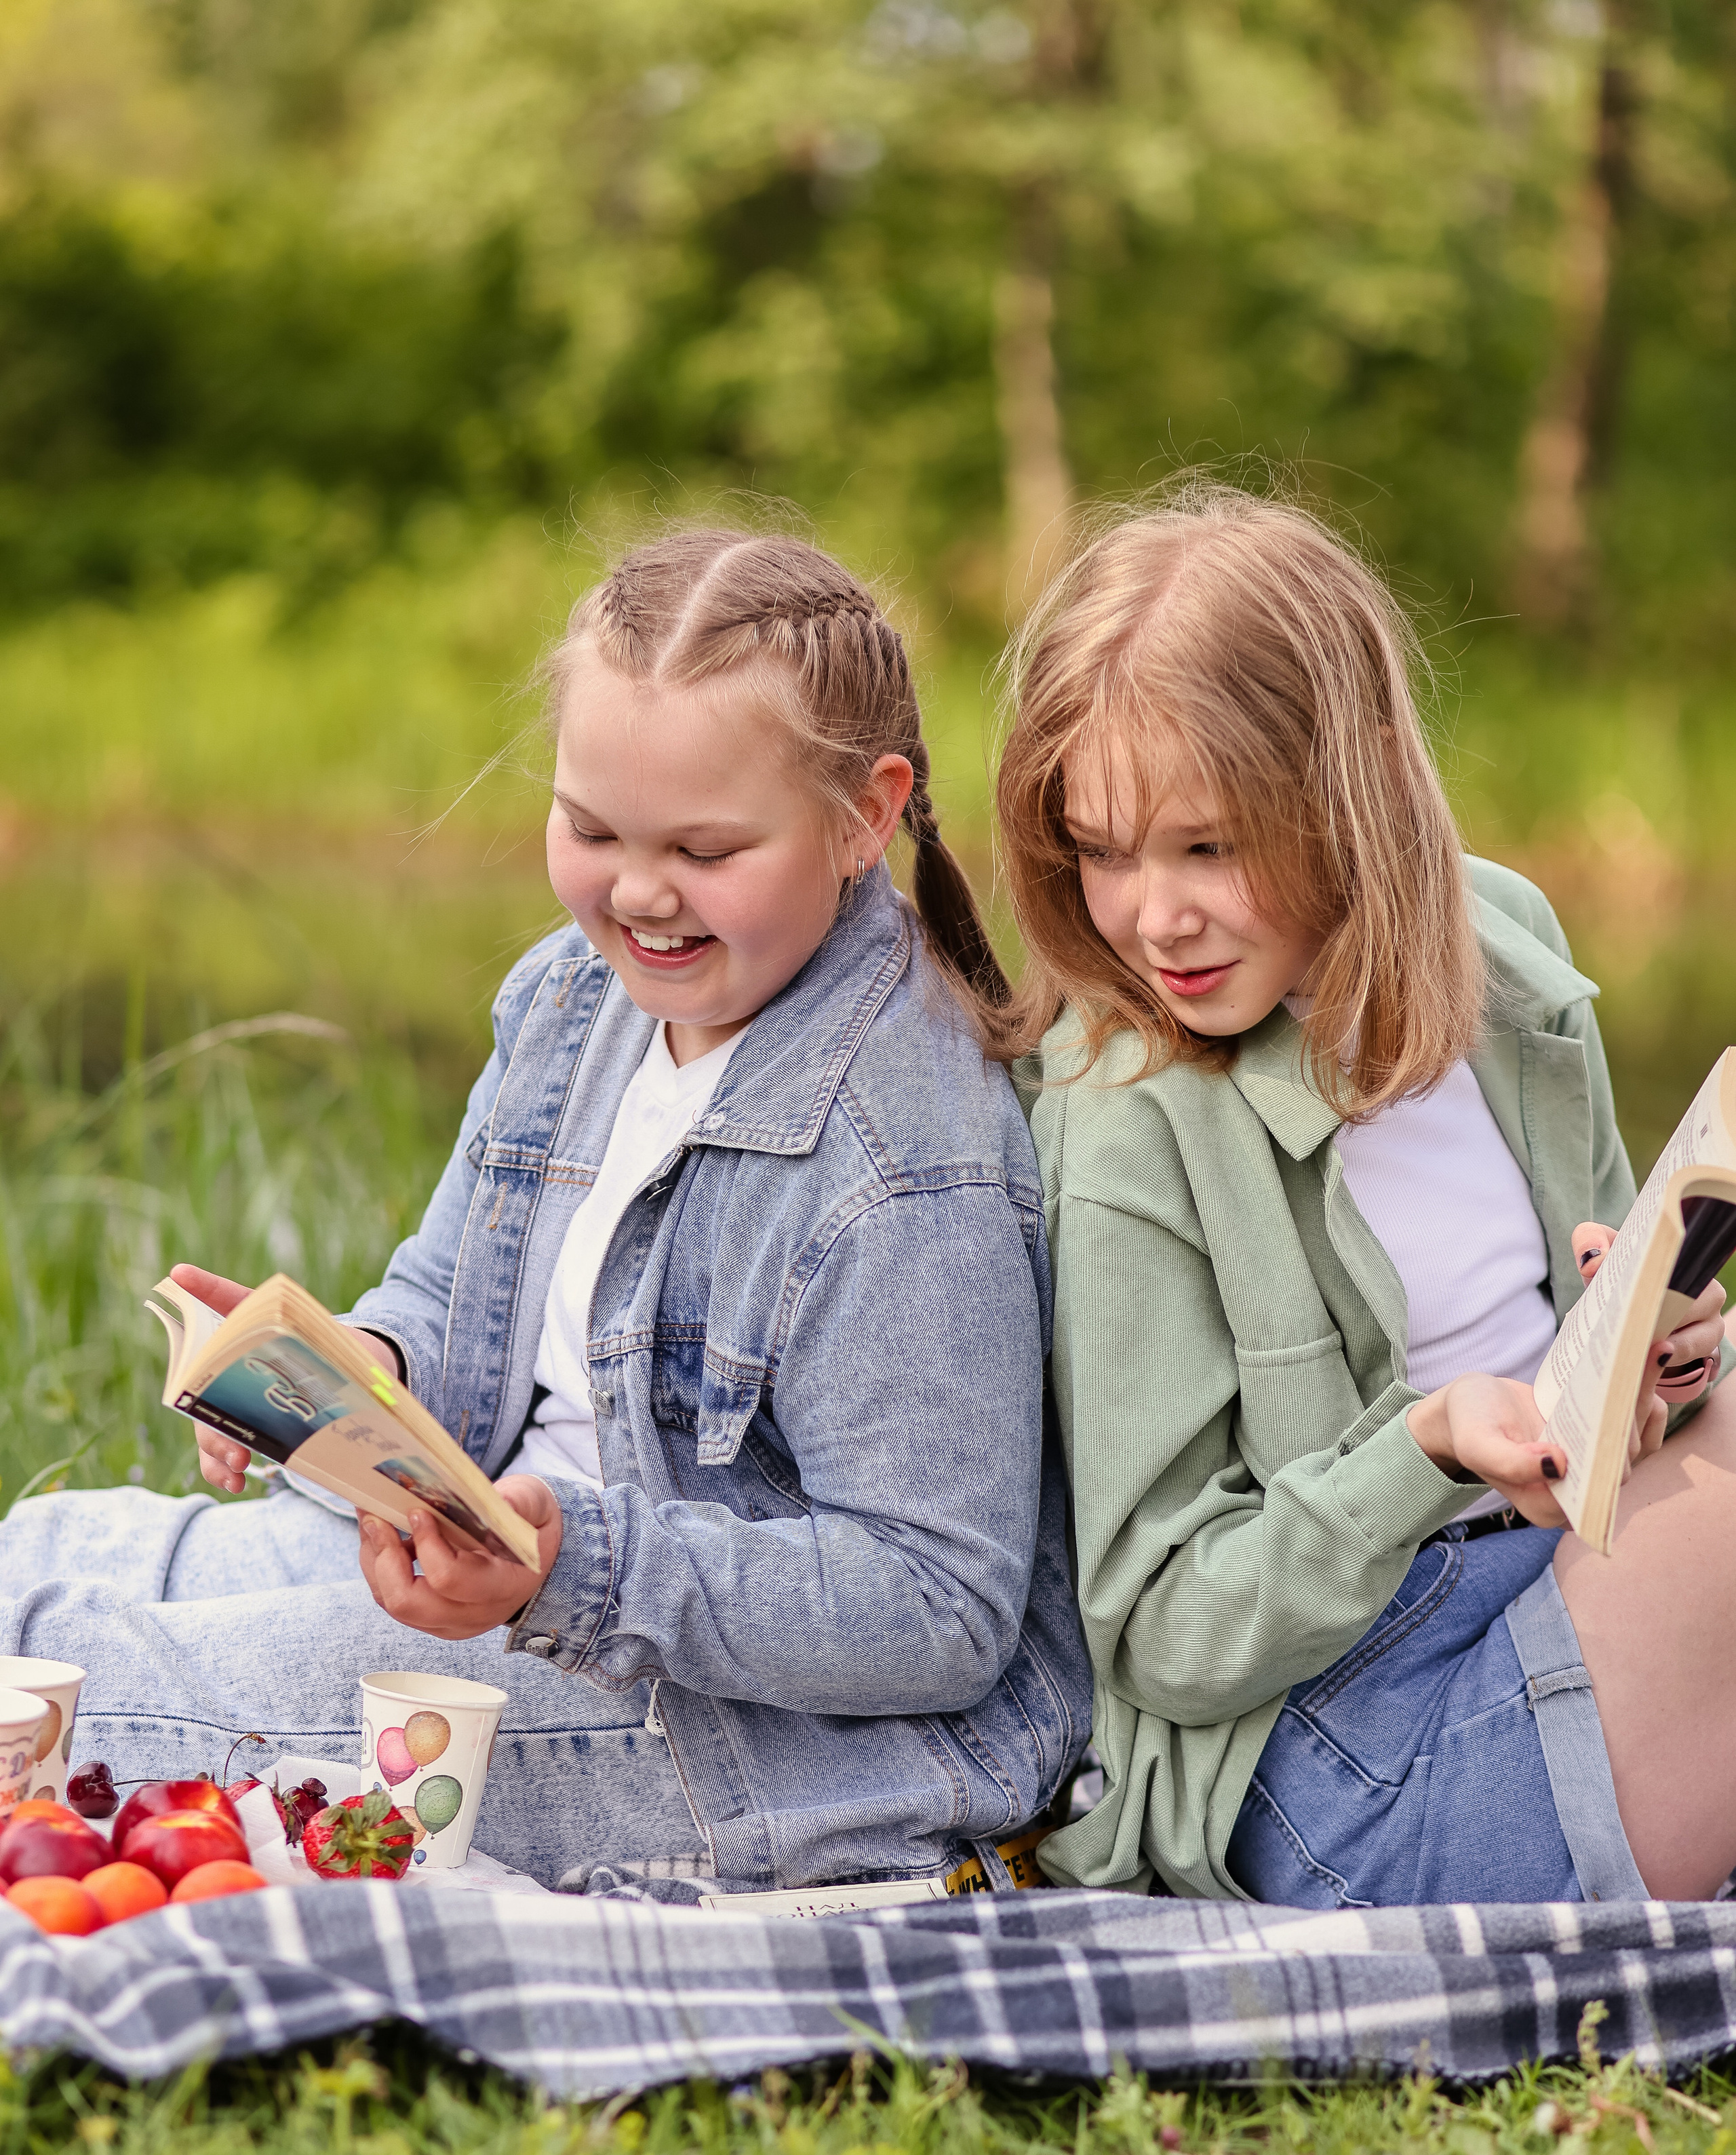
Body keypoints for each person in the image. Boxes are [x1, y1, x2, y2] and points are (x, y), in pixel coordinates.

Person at [0, 530, 1089, 1896]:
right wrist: (337, 1379)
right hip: (504, 1583)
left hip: (783, 1729)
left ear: (866, 815)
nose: (636, 895)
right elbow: (450, 1306)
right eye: (590, 831)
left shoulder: (901, 1160)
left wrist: (568, 1570)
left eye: (704, 848)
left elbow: (937, 1610)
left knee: (93, 1696)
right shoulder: (575, 1002)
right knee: (32, 1566)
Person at [1000, 482, 1735, 1909]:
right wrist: (1430, 1447)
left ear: (1352, 786)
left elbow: (1590, 1378)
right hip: (1342, 1761)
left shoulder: (1501, 944)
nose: (1152, 916)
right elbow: (1162, 1632)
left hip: (1556, 1596)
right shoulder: (1127, 1118)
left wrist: (1656, 1355)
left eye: (1206, 846)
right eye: (1100, 851)